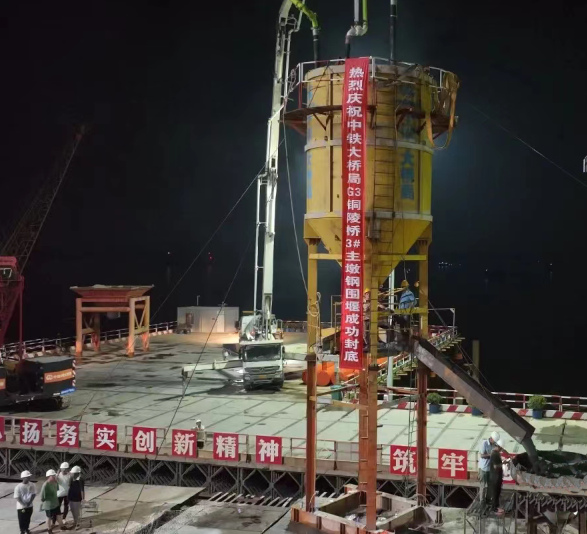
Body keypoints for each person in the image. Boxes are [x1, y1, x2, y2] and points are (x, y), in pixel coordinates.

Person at [478, 431, 500, 505]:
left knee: (490, 485)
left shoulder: (494, 444)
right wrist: (491, 455)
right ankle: (482, 501)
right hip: (483, 468)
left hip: (490, 469)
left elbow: (500, 449)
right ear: (491, 438)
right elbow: (482, 455)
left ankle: (488, 499)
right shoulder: (484, 443)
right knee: (483, 485)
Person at [489, 439, 505, 514]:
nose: (501, 450)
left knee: (497, 492)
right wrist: (503, 463)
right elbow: (495, 466)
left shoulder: (496, 453)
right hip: (495, 477)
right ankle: (494, 508)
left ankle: (496, 507)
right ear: (499, 447)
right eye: (501, 448)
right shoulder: (494, 454)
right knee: (495, 493)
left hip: (497, 476)